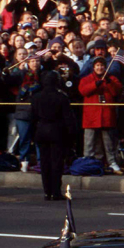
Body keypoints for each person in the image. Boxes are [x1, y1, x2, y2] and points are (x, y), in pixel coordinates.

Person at [29, 71, 78, 201]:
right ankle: (56, 191)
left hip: (41, 131)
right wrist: (72, 135)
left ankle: (47, 192)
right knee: (56, 163)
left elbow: (32, 118)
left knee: (44, 163)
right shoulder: (62, 97)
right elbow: (69, 119)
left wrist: (32, 135)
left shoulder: (36, 97)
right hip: (57, 132)